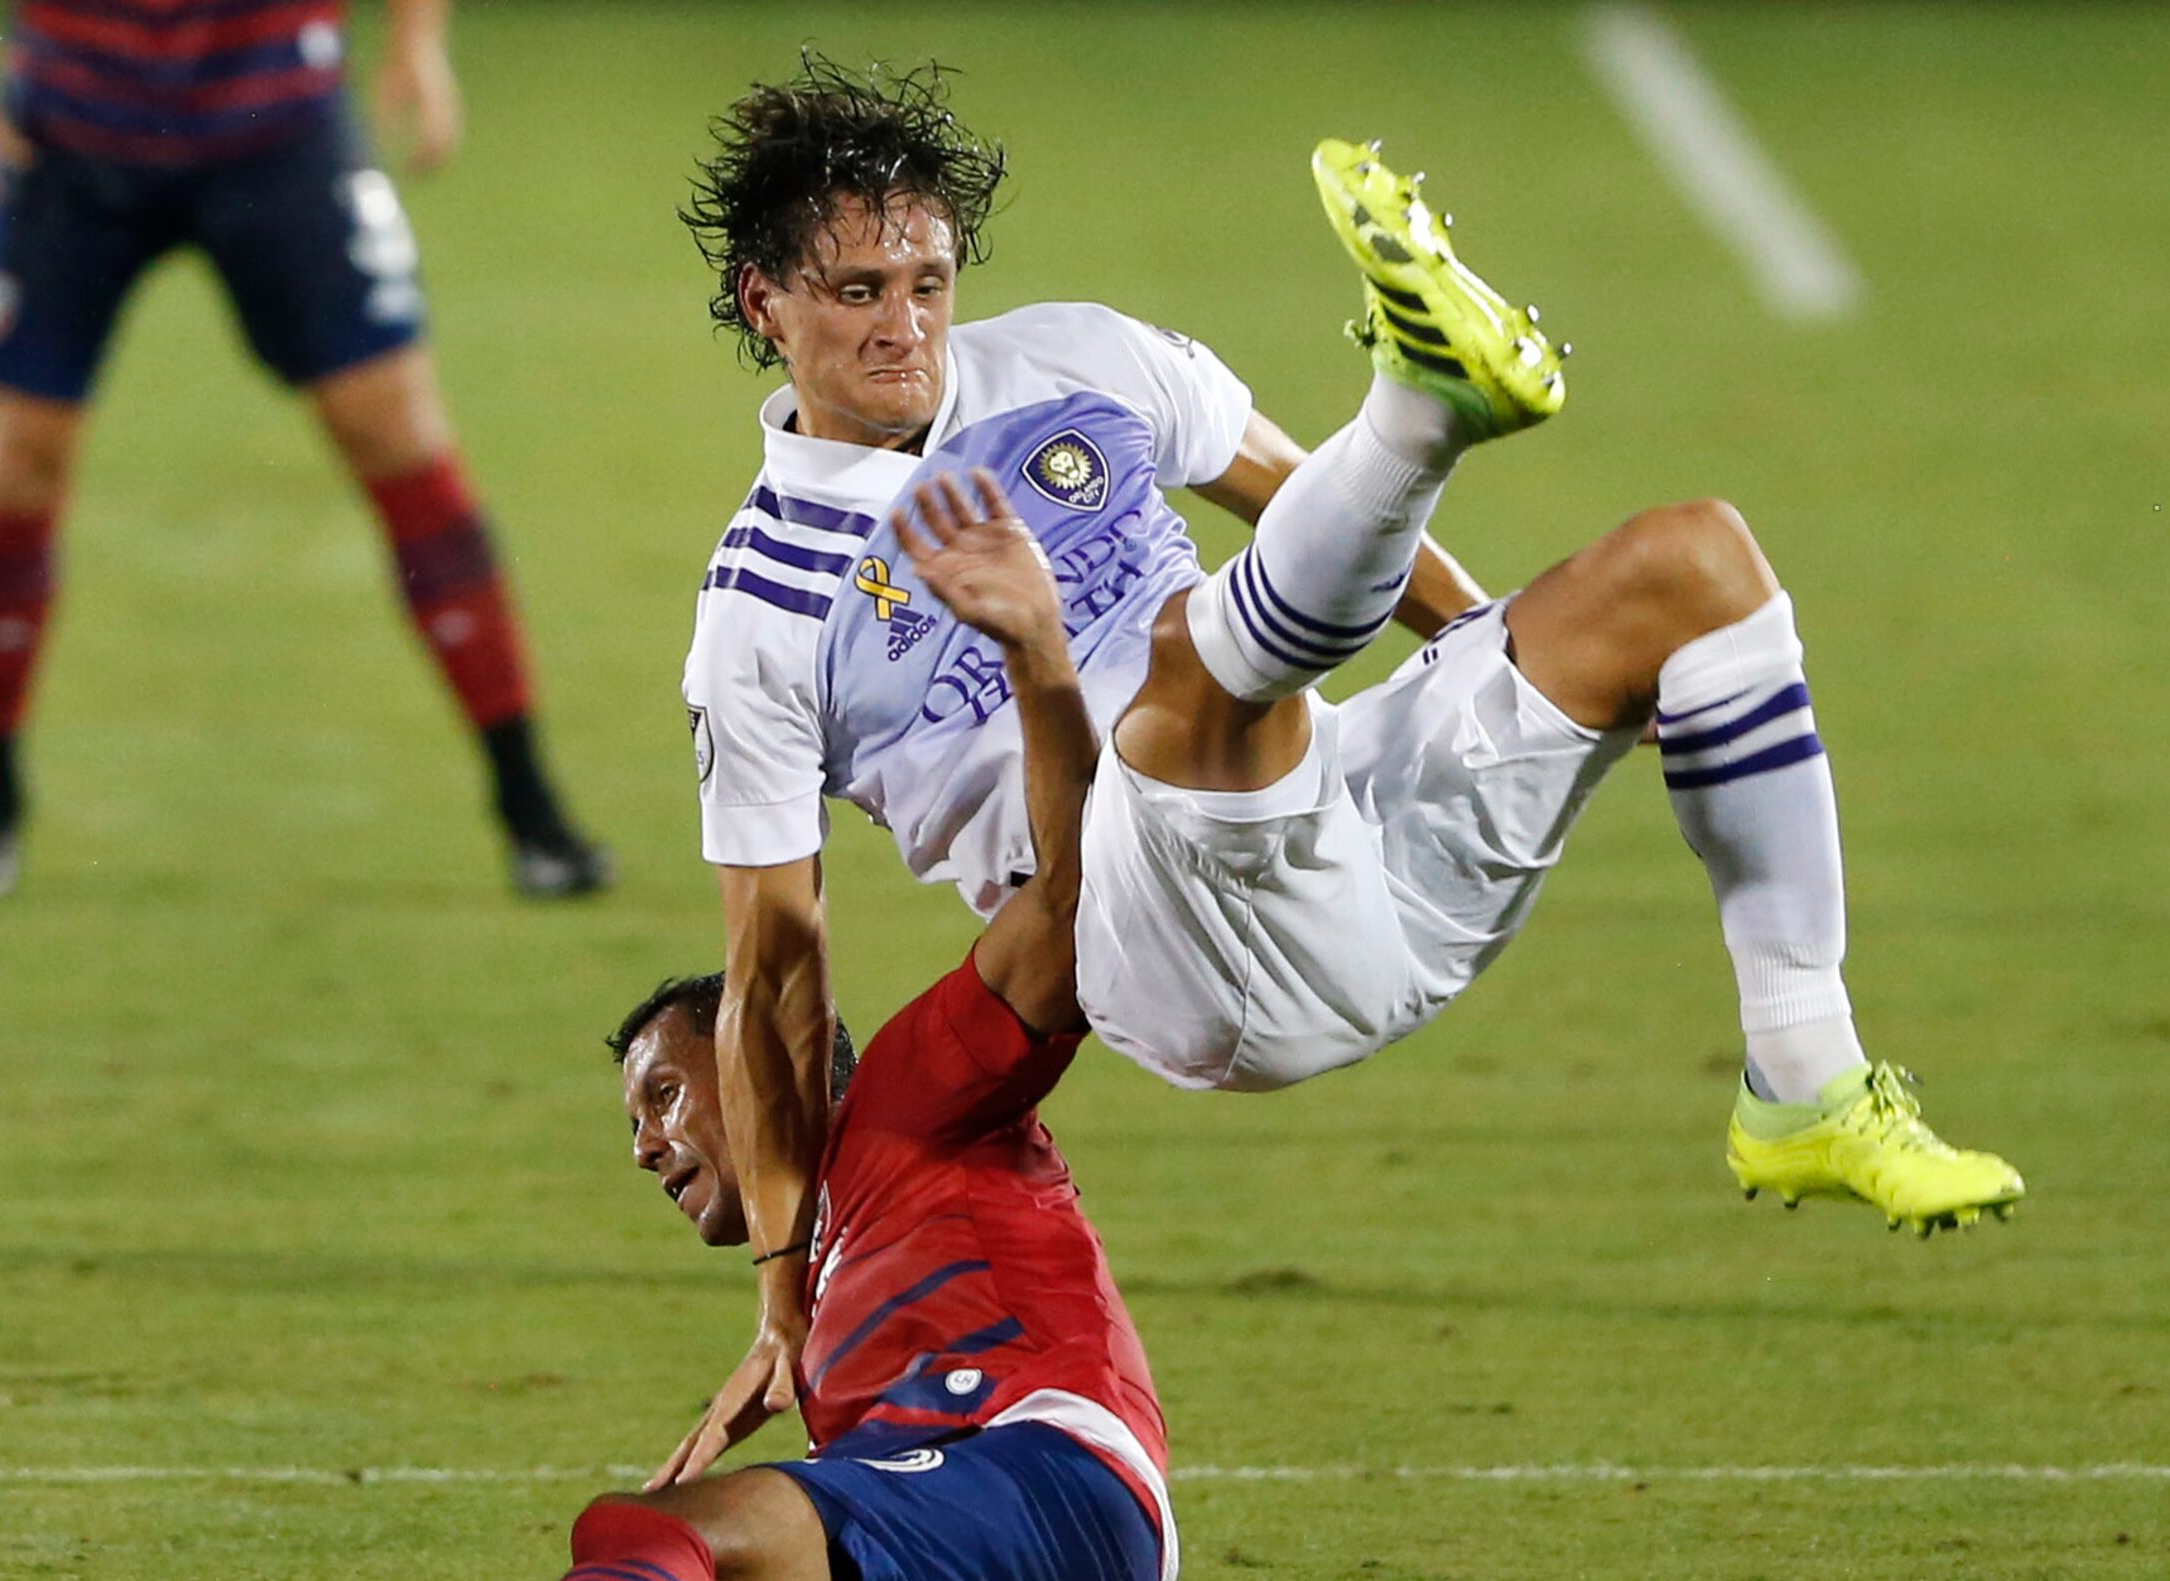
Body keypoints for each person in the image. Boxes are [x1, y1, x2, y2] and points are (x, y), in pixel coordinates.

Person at [669, 60, 2023, 1483]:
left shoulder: (1077, 356)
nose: (907, 325)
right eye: (856, 292)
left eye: (927, 280)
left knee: (1690, 567)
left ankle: (1800, 1077)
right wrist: (784, 1285)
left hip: (1333, 829)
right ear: (763, 301)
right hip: (1152, 944)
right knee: (1194, 666)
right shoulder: (758, 614)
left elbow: (1291, 494)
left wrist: (1495, 664)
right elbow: (771, 974)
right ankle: (1422, 410)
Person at [311, 473, 1171, 1581]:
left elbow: (1070, 897)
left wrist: (1036, 652)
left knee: (652, 1538)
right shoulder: (819, 1282)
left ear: (756, 1048)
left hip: (1059, 1511)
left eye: (662, 1093)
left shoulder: (906, 1097)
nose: (648, 1144)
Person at [0, 0, 609, 898]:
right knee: (15, 460)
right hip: (68, 133)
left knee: (394, 433)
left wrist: (418, 49)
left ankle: (529, 805)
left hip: (278, 127)